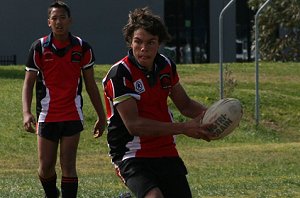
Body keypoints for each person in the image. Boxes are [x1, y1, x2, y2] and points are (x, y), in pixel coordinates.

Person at [102, 7, 215, 198]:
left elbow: (185, 105)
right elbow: (134, 125)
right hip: (131, 153)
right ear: (130, 42)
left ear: (159, 43)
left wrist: (215, 114)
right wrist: (184, 127)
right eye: (138, 42)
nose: (143, 48)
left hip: (165, 149)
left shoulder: (165, 66)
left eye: (150, 43)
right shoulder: (119, 74)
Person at [22, 1, 106, 197]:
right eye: (54, 18)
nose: (58, 22)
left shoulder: (83, 48)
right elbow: (28, 83)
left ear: (70, 20)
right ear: (48, 22)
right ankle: (52, 193)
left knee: (68, 165)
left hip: (72, 114)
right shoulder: (39, 47)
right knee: (45, 167)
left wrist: (102, 116)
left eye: (62, 17)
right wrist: (26, 113)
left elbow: (91, 85)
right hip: (47, 115)